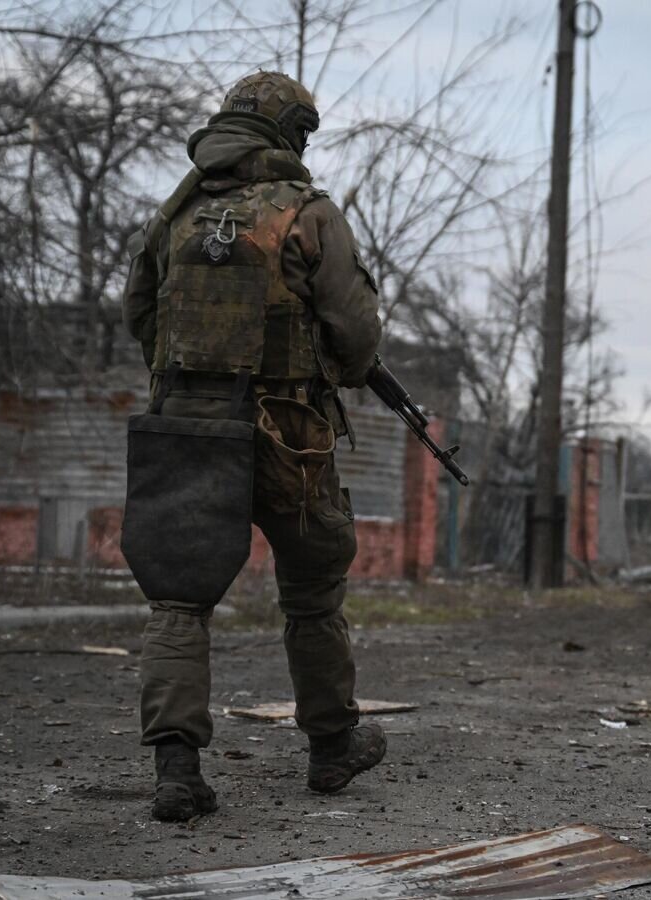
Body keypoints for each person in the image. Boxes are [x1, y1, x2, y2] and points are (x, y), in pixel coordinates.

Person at [121, 71, 386, 822]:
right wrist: (334, 373)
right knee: (311, 594)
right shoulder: (307, 215)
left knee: (178, 598)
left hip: (187, 429)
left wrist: (190, 385)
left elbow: (139, 312)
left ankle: (178, 771)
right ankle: (332, 749)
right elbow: (356, 331)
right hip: (287, 433)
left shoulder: (174, 215)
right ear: (289, 132)